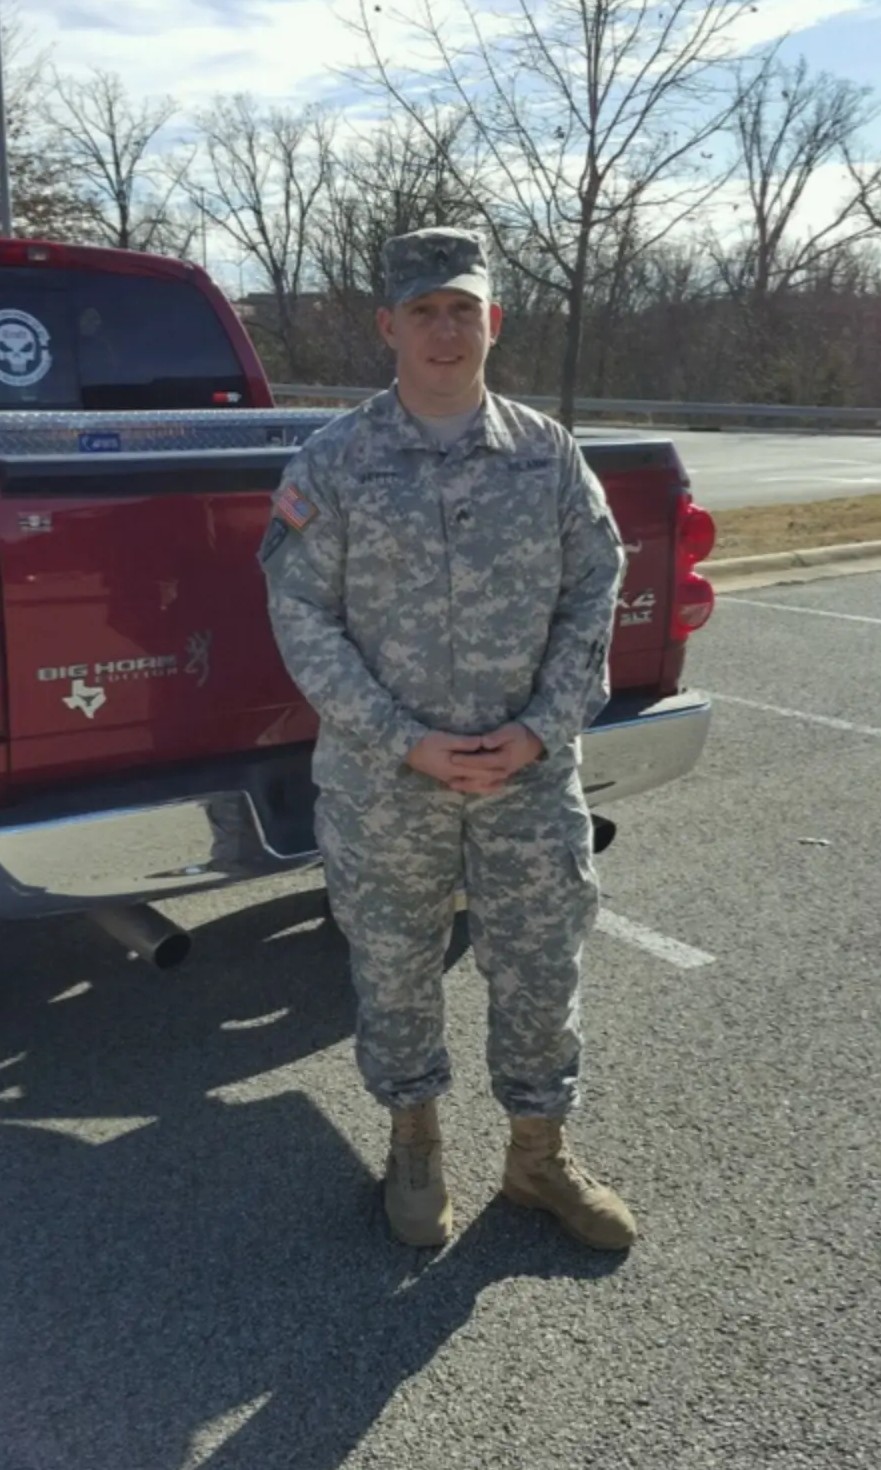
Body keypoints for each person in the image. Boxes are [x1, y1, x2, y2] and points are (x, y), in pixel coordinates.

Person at [259, 226, 636, 1252]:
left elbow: (593, 593)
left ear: (492, 321)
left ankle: (537, 1156)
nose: (444, 329)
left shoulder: (547, 455)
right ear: (388, 326)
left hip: (527, 778)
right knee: (393, 968)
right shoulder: (333, 462)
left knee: (540, 968)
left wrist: (539, 730)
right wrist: (402, 739)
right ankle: (413, 1141)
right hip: (387, 783)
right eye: (423, 311)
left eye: (461, 308)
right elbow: (300, 615)